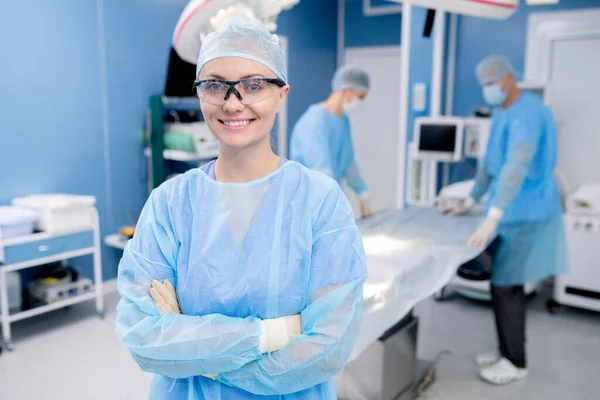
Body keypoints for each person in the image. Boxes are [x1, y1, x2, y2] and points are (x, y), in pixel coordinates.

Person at [115, 17, 367, 399]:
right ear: (200, 94)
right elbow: (142, 334)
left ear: (282, 95)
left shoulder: (321, 202)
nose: (233, 103)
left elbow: (329, 345)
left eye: (253, 85)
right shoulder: (170, 204)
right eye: (215, 85)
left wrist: (197, 348)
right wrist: (274, 333)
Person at [440, 55, 568, 385]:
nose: (488, 89)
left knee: (507, 287)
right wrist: (470, 200)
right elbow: (489, 163)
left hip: (527, 210)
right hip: (509, 207)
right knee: (501, 285)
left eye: (492, 82)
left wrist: (493, 215)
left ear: (510, 78)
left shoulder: (528, 113)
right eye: (484, 85)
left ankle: (515, 362)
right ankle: (505, 352)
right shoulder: (502, 112)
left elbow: (515, 167)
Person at [290, 66, 373, 218]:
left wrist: (362, 191)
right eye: (360, 97)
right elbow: (321, 169)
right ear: (345, 91)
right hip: (308, 206)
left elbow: (348, 162)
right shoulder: (314, 122)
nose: (361, 102)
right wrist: (336, 205)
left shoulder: (343, 121)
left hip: (327, 201)